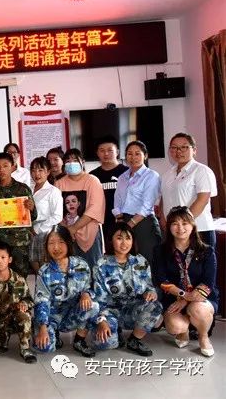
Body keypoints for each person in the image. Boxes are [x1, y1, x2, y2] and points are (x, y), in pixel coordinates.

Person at [153, 207, 218, 357]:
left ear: (193, 225)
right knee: (175, 326)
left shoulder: (206, 251)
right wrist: (183, 295)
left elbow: (208, 283)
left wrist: (186, 300)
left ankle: (203, 336)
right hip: (173, 298)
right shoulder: (160, 251)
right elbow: (161, 280)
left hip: (202, 299)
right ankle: (184, 330)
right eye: (175, 223)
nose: (180, 228)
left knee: (198, 310)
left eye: (185, 223)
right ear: (169, 227)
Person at [89, 223, 162, 356]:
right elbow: (98, 299)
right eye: (119, 238)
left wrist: (150, 292)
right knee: (105, 344)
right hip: (110, 311)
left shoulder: (140, 261)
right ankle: (115, 330)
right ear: (111, 240)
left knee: (155, 307)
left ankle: (134, 340)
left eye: (128, 238)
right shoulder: (101, 264)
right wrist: (102, 320)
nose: (124, 243)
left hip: (132, 310)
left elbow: (149, 285)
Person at [33, 226, 99, 357]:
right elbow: (41, 301)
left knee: (93, 305)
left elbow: (89, 288)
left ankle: (79, 341)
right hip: (51, 317)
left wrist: (86, 294)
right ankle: (52, 334)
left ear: (68, 243)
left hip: (73, 315)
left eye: (61, 242)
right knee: (44, 348)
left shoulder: (81, 265)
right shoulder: (44, 271)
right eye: (51, 243)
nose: (56, 247)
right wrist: (43, 328)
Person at [0, 242, 36, 363]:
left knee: (24, 316)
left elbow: (29, 299)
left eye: (3, 257)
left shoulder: (19, 280)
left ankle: (25, 348)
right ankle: (4, 337)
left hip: (15, 317)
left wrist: (24, 304)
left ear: (9, 259)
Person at [160, 133, 219, 246]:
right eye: (174, 147)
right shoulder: (167, 174)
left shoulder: (201, 170)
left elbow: (202, 200)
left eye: (184, 147)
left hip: (198, 230)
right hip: (174, 231)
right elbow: (164, 197)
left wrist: (183, 224)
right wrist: (163, 220)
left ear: (194, 150)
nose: (178, 151)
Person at [0, 152, 37, 277]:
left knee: (20, 276)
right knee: (0, 276)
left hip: (20, 243)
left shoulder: (23, 189)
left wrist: (31, 208)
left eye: (5, 166)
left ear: (12, 167)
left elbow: (34, 216)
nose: (1, 170)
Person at [54, 148, 105, 268]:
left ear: (83, 162)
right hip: (67, 235)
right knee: (70, 270)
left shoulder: (92, 181)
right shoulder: (59, 184)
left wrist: (74, 228)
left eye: (75, 160)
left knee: (93, 269)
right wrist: (67, 229)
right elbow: (56, 211)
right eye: (68, 161)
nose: (71, 163)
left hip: (90, 234)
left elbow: (95, 209)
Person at [112, 140, 162, 261]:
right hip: (124, 221)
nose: (133, 157)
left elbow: (147, 206)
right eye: (129, 154)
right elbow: (117, 201)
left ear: (145, 156)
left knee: (147, 260)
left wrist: (129, 225)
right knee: (127, 260)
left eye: (137, 153)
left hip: (144, 223)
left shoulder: (151, 176)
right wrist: (120, 220)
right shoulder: (122, 177)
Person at [89, 136, 128, 250]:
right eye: (102, 150)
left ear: (117, 152)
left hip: (123, 220)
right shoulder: (92, 176)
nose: (106, 154)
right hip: (101, 222)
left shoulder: (127, 172)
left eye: (110, 150)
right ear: (97, 153)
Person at [29, 156, 63, 273]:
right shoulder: (28, 189)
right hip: (29, 232)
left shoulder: (53, 191)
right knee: (34, 266)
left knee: (46, 267)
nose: (36, 174)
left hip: (46, 233)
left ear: (48, 172)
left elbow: (57, 216)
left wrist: (38, 229)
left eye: (40, 170)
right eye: (33, 170)